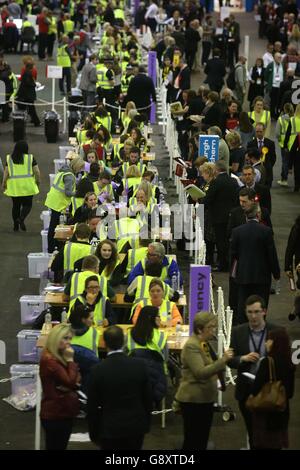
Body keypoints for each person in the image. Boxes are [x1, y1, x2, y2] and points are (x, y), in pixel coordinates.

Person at [87, 326, 152, 450]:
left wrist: (94, 433)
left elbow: (92, 406)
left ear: (104, 343)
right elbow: (148, 399)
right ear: (124, 341)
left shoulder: (97, 370)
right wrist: (145, 424)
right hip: (135, 427)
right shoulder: (139, 366)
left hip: (109, 428)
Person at [175, 312, 234, 450]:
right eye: (211, 327)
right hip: (193, 401)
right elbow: (200, 373)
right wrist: (223, 360)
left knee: (201, 440)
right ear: (200, 329)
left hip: (204, 399)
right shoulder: (192, 346)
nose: (213, 330)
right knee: (193, 441)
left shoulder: (203, 344)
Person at [228, 295, 279, 449]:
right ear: (245, 312)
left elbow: (285, 363)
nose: (253, 316)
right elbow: (230, 360)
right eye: (250, 312)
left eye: (257, 311)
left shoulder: (276, 332)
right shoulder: (238, 332)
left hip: (269, 392)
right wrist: (242, 358)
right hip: (246, 392)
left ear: (264, 311)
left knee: (270, 435)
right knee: (253, 434)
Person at [230, 204, 280, 324]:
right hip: (262, 275)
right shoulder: (266, 231)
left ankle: (243, 328)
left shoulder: (237, 231)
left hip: (243, 274)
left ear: (245, 215)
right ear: (258, 214)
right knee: (261, 303)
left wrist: (235, 271)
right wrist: (276, 273)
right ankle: (260, 325)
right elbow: (271, 254)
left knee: (243, 303)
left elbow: (233, 254)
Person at [249, 328, 295, 449]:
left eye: (268, 340)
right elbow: (290, 393)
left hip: (266, 414)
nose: (266, 343)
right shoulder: (289, 364)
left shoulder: (267, 362)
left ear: (275, 342)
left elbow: (255, 389)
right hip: (282, 413)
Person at [39, 323, 80, 450]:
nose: (68, 342)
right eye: (65, 338)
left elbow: (76, 379)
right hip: (55, 414)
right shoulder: (51, 360)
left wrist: (70, 383)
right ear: (56, 338)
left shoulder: (58, 356)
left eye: (70, 339)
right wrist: (71, 361)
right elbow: (71, 381)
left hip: (62, 411)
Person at [127, 305, 168, 405]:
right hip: (157, 379)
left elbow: (124, 355)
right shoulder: (161, 337)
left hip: (132, 377)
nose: (160, 319)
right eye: (158, 316)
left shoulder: (129, 334)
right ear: (151, 318)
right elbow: (165, 359)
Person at [203, 161, 239, 271]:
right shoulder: (233, 181)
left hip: (218, 217)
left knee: (220, 242)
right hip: (231, 215)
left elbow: (209, 199)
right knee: (228, 241)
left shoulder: (216, 182)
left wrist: (200, 201)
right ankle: (228, 263)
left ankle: (222, 264)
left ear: (216, 170)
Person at [45, 157, 85, 253]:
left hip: (53, 199)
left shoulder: (64, 171)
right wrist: (78, 193)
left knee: (54, 225)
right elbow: (68, 192)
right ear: (76, 166)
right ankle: (51, 248)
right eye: (80, 168)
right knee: (53, 226)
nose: (81, 170)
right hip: (58, 202)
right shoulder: (70, 176)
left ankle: (52, 246)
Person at [2, 140, 40, 232]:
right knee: (27, 205)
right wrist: (37, 181)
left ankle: (15, 226)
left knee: (16, 206)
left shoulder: (9, 158)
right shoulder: (30, 158)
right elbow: (37, 172)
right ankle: (21, 218)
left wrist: (4, 183)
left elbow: (6, 172)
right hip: (27, 187)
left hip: (14, 187)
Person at [68, 303, 100, 394]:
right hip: (90, 373)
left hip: (68, 371)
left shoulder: (64, 332)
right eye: (91, 318)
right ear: (83, 320)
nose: (93, 322)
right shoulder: (94, 332)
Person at [16, 62, 41, 127]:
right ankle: (36, 122)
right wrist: (35, 84)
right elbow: (28, 82)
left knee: (24, 109)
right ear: (31, 67)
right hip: (27, 95)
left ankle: (21, 122)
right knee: (31, 109)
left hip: (24, 95)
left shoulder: (25, 72)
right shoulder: (28, 73)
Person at [285, 215, 300, 290]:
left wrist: (287, 267)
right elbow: (290, 247)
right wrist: (287, 267)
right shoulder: (297, 227)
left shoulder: (297, 227)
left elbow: (290, 247)